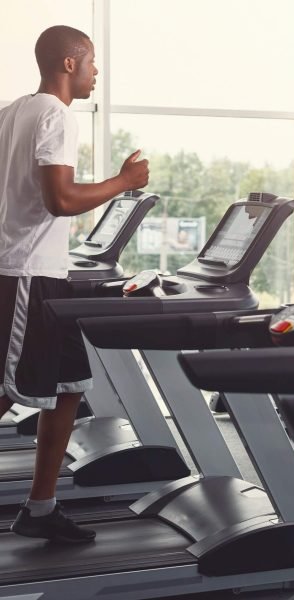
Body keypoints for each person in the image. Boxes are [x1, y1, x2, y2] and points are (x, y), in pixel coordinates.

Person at [0, 25, 149, 544]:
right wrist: (124, 184)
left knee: (67, 388)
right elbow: (59, 200)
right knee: (4, 390)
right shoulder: (55, 114)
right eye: (91, 63)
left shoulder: (14, 109)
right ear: (69, 64)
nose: (95, 73)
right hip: (25, 271)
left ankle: (40, 508)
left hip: (41, 269)